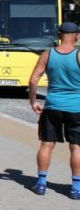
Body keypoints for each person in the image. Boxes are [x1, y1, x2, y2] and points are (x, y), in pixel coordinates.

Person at [27, 21, 80, 199]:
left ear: (59, 35)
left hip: (52, 106)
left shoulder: (47, 55)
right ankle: (76, 188)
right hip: (76, 108)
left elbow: (34, 79)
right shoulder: (79, 55)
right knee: (76, 147)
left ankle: (41, 184)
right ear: (77, 36)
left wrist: (33, 100)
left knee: (47, 144)